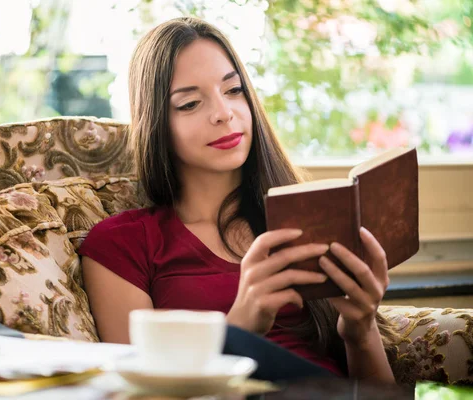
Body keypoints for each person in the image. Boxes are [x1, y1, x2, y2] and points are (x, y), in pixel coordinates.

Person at [78, 16, 399, 382]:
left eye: (234, 91)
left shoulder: (303, 222)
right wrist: (241, 326)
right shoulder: (122, 244)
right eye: (189, 104)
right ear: (157, 124)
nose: (223, 113)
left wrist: (361, 330)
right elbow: (136, 390)